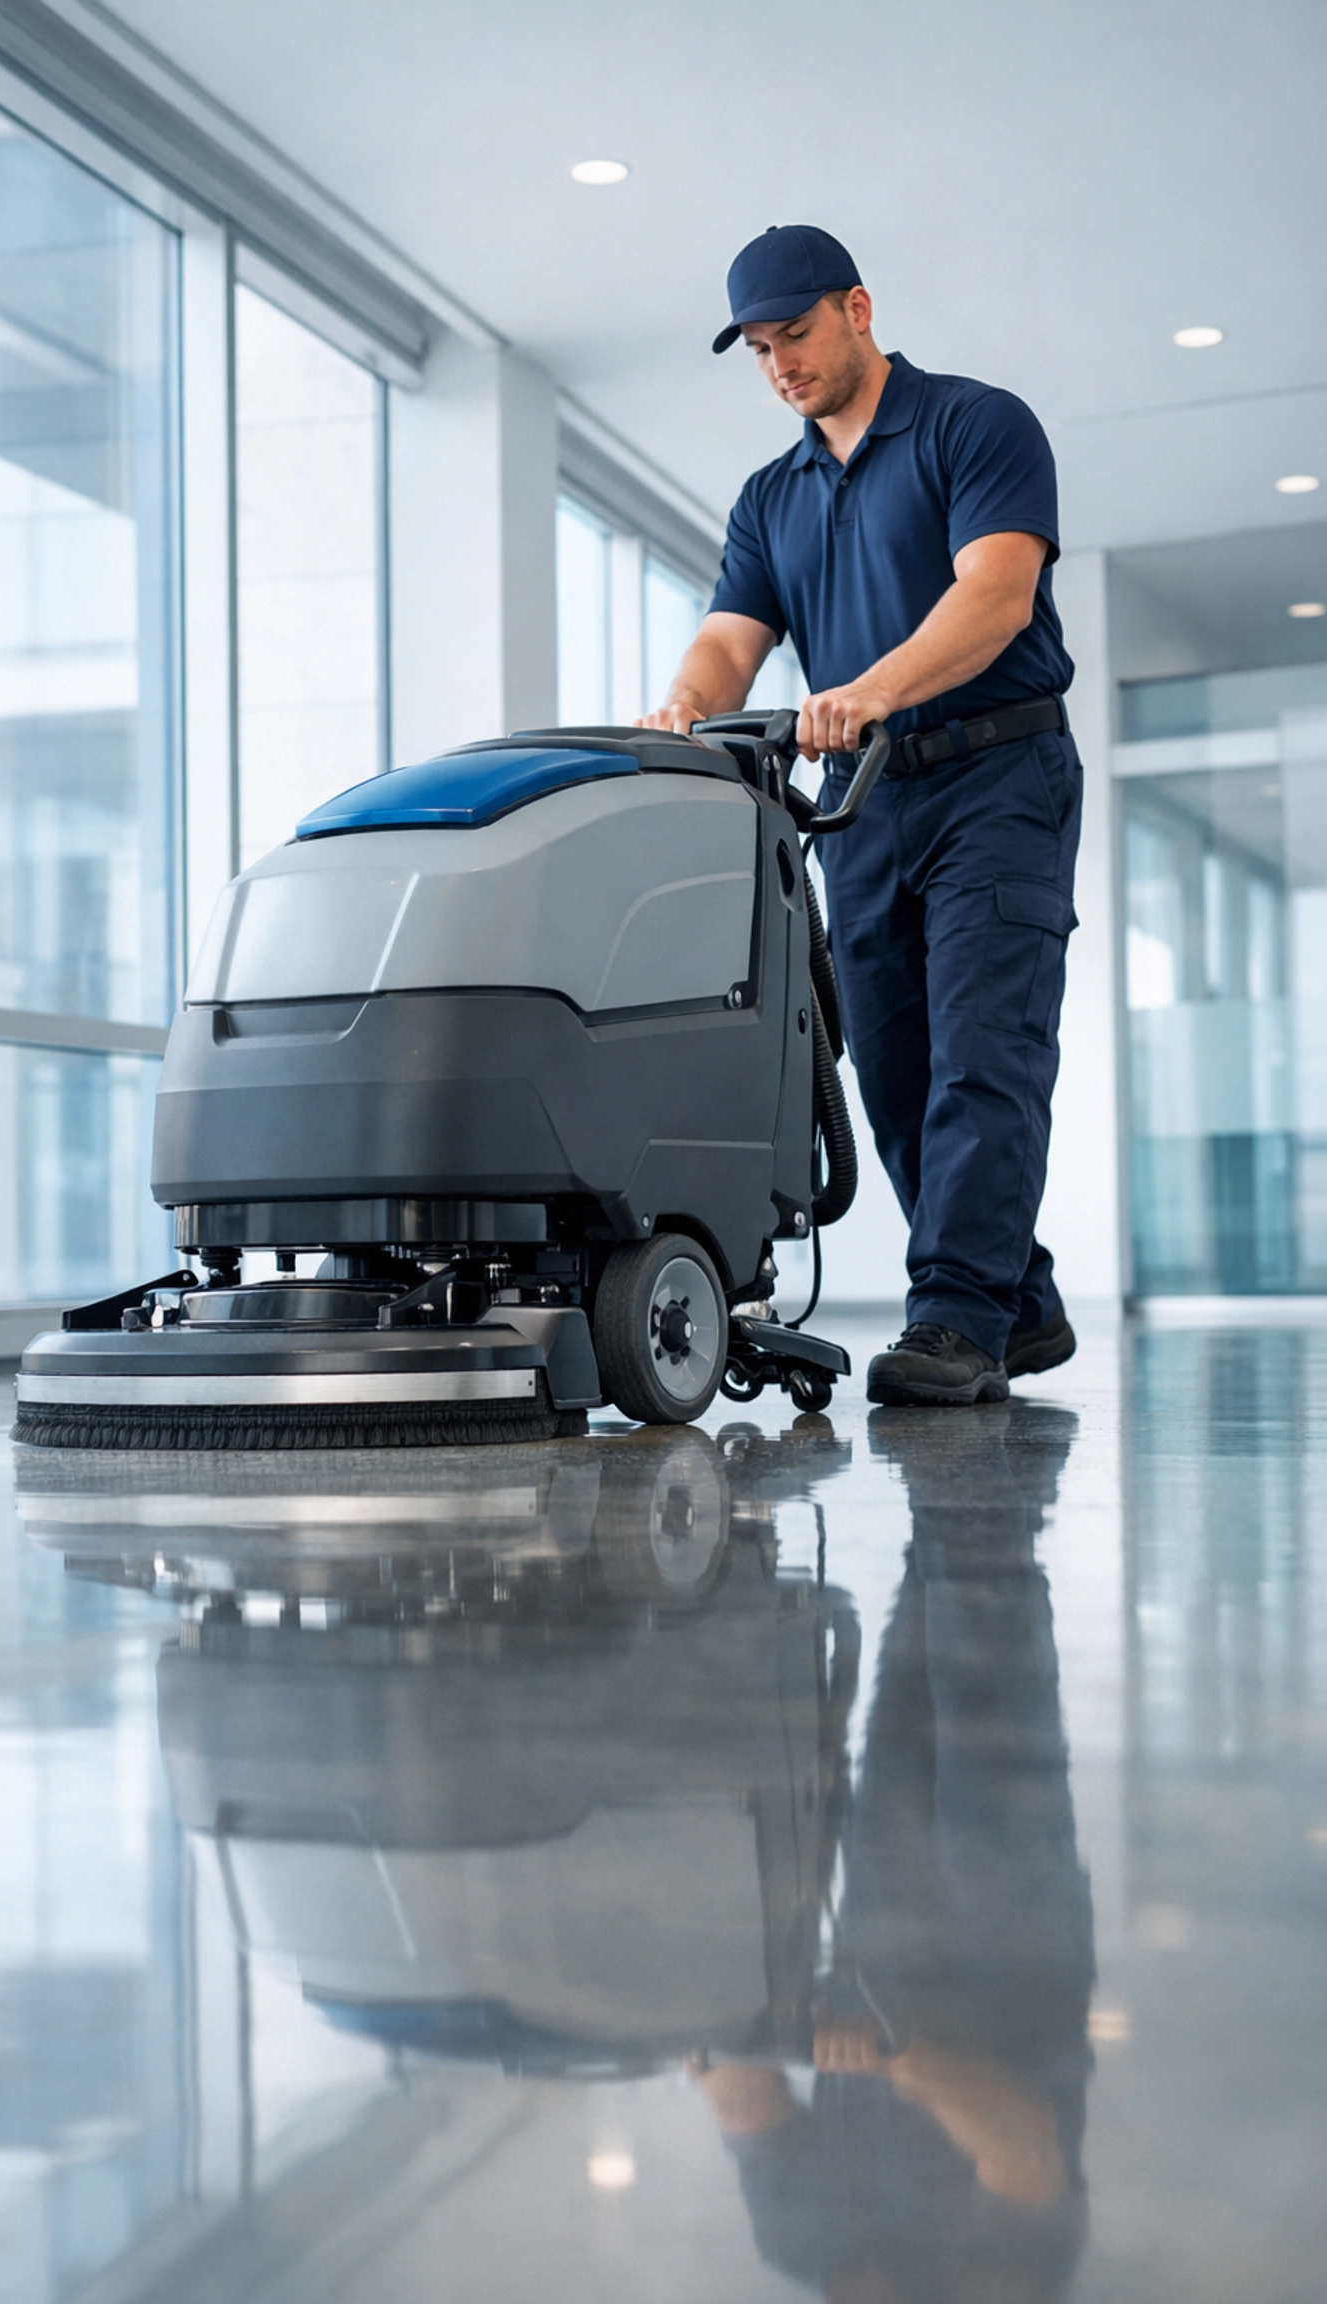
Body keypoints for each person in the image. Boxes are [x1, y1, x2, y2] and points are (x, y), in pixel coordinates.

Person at [644, 225, 1081, 1407]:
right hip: (864, 803)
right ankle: (1018, 1302)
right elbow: (731, 640)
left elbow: (995, 594)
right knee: (893, 1069)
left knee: (985, 1054)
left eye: (796, 333)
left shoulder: (973, 424)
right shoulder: (770, 497)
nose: (779, 363)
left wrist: (872, 688)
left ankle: (953, 1317)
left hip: (998, 775)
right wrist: (684, 710)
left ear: (859, 310)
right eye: (759, 348)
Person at [694, 1404, 1094, 2303]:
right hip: (1012, 1935)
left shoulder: (808, 2249)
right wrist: (903, 2063)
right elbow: (1023, 2150)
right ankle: (980, 1405)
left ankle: (985, 1357)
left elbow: (740, 2100)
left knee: (918, 1636)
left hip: (881, 1922)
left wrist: (712, 2038)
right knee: (984, 1632)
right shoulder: (1004, 2281)